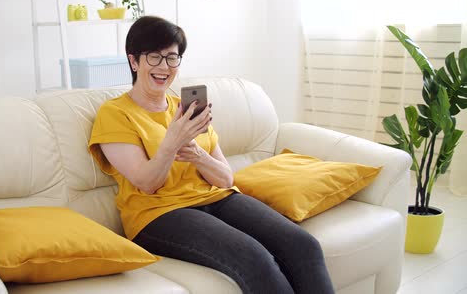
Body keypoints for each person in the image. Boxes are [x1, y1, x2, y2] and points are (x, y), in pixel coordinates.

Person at [88, 15, 334, 294]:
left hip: (217, 198)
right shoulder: (115, 114)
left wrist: (197, 155)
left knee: (304, 245)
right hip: (159, 214)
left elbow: (226, 177)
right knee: (255, 259)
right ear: (134, 62)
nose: (164, 67)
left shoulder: (187, 107)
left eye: (172, 57)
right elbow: (147, 182)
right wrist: (172, 141)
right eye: (154, 57)